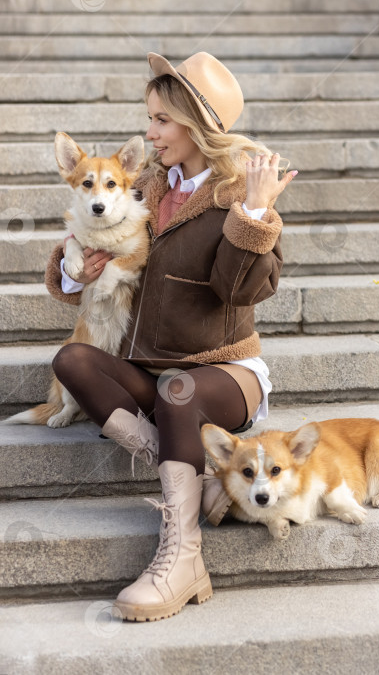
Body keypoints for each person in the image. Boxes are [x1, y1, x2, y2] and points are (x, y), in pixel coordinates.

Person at [44, 51, 297, 622]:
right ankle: (202, 477)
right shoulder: (150, 186)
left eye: (161, 119)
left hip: (225, 373)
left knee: (178, 392)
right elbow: (92, 232)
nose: (150, 132)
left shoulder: (241, 188)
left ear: (193, 123)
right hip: (157, 370)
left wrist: (255, 213)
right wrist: (71, 270)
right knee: (73, 362)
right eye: (150, 117)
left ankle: (181, 558)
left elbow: (240, 290)